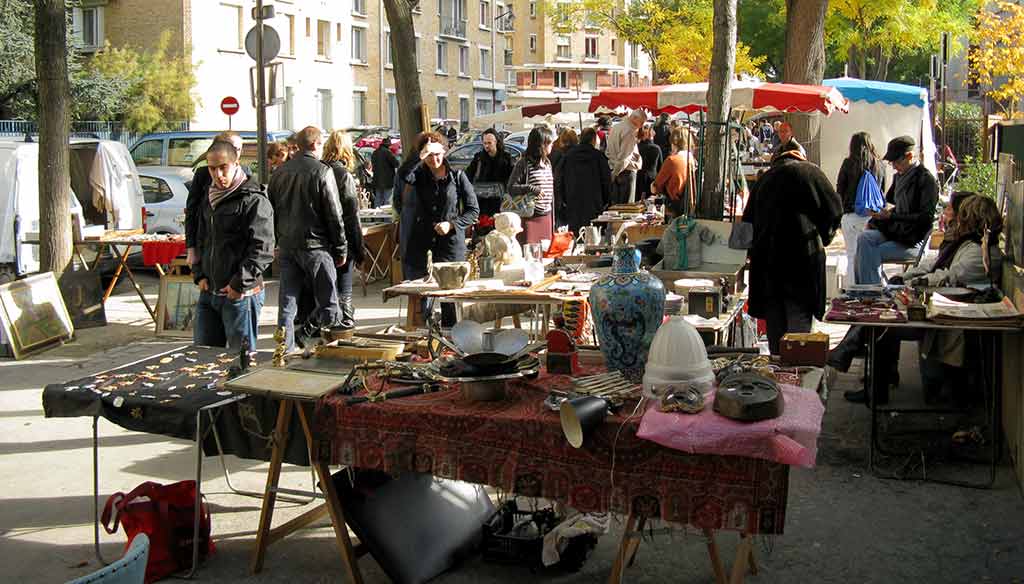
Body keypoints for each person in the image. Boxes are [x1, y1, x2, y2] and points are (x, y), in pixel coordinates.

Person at [832, 195, 1003, 405]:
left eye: (954, 212)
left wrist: (917, 281)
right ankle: (861, 366)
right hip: (940, 305)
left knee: (884, 324)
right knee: (881, 310)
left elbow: (949, 275)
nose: (951, 217)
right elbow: (933, 265)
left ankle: (864, 374)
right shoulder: (963, 243)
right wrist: (906, 277)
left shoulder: (979, 251)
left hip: (948, 315)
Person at [742, 148, 843, 355]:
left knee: (775, 327)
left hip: (768, 264)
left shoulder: (765, 179)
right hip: (802, 261)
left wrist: (745, 257)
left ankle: (779, 377)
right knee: (799, 331)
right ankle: (800, 374)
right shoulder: (812, 173)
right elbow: (835, 210)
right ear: (800, 157)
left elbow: (744, 229)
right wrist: (824, 236)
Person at [268, 126, 347, 351]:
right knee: (329, 302)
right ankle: (331, 350)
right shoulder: (322, 171)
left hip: (288, 245)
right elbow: (334, 213)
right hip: (316, 245)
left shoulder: (280, 172)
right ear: (315, 145)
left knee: (287, 303)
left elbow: (271, 210)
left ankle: (284, 350)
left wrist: (277, 241)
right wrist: (341, 248)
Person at [191, 141, 274, 351]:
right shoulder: (209, 197)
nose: (218, 174)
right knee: (203, 357)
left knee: (241, 361)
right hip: (209, 292)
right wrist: (199, 273)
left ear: (236, 163)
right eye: (212, 168)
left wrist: (239, 283)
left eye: (223, 167)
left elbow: (263, 249)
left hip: (240, 295)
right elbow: (202, 237)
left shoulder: (253, 199)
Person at [854, 135, 939, 285]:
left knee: (868, 253)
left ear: (909, 156)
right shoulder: (900, 176)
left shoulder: (926, 180)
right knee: (863, 239)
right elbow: (892, 203)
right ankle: (865, 289)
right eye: (891, 162)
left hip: (912, 240)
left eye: (896, 161)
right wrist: (880, 216)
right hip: (897, 232)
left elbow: (925, 218)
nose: (893, 166)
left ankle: (872, 294)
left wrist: (892, 217)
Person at [322, 130, 365, 331]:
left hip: (322, 238)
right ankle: (345, 319)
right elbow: (350, 213)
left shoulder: (320, 170)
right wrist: (358, 247)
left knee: (328, 285)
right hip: (342, 237)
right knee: (344, 285)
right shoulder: (343, 174)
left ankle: (331, 319)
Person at [185, 131, 245, 266]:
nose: (236, 152)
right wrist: (191, 248)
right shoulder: (203, 175)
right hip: (208, 243)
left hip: (234, 252)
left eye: (239, 149)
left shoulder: (246, 176)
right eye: (233, 147)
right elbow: (192, 211)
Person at [836, 132, 885, 279]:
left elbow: (840, 189)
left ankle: (852, 290)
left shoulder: (848, 163)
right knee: (872, 256)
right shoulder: (879, 165)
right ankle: (873, 288)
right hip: (873, 217)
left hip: (851, 215)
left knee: (852, 255)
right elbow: (882, 190)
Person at [394, 132, 446, 266]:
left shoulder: (450, 175)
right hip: (412, 226)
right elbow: (398, 200)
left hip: (416, 226)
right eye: (428, 154)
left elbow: (397, 202)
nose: (432, 158)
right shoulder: (413, 174)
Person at [555, 127, 611, 236]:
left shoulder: (568, 156)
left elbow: (559, 179)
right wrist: (605, 200)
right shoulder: (598, 156)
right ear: (593, 140)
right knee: (595, 235)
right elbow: (606, 180)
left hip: (573, 201)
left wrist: (564, 199)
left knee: (577, 234)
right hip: (595, 202)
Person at [506, 126, 555, 244]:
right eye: (550, 143)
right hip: (530, 217)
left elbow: (552, 194)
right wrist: (531, 188)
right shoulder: (523, 163)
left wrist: (553, 220)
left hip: (546, 216)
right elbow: (511, 188)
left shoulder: (547, 163)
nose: (552, 145)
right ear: (542, 144)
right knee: (530, 253)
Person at [465, 128, 514, 216]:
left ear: (496, 142)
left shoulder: (506, 158)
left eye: (489, 143)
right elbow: (468, 175)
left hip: (500, 202)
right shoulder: (478, 158)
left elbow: (511, 179)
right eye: (485, 143)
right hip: (481, 202)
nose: (487, 146)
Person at [651, 126, 697, 218]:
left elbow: (656, 186)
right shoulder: (692, 160)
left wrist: (654, 187)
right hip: (688, 207)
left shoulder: (672, 160)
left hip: (673, 207)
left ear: (674, 142)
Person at [606, 109, 646, 204]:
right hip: (625, 171)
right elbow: (625, 157)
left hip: (615, 168)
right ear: (635, 118)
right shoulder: (629, 131)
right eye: (642, 122)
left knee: (616, 208)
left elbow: (608, 152)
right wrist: (615, 173)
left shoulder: (616, 127)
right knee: (626, 209)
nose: (642, 125)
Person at [369, 137, 399, 208]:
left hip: (377, 180)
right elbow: (396, 163)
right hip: (388, 181)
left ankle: (377, 218)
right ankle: (387, 219)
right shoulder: (387, 152)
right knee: (387, 201)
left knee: (378, 200)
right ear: (388, 145)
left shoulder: (375, 152)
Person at [636, 125, 663, 200]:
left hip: (639, 176)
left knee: (637, 200)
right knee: (650, 200)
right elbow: (660, 166)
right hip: (652, 177)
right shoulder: (656, 148)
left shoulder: (637, 147)